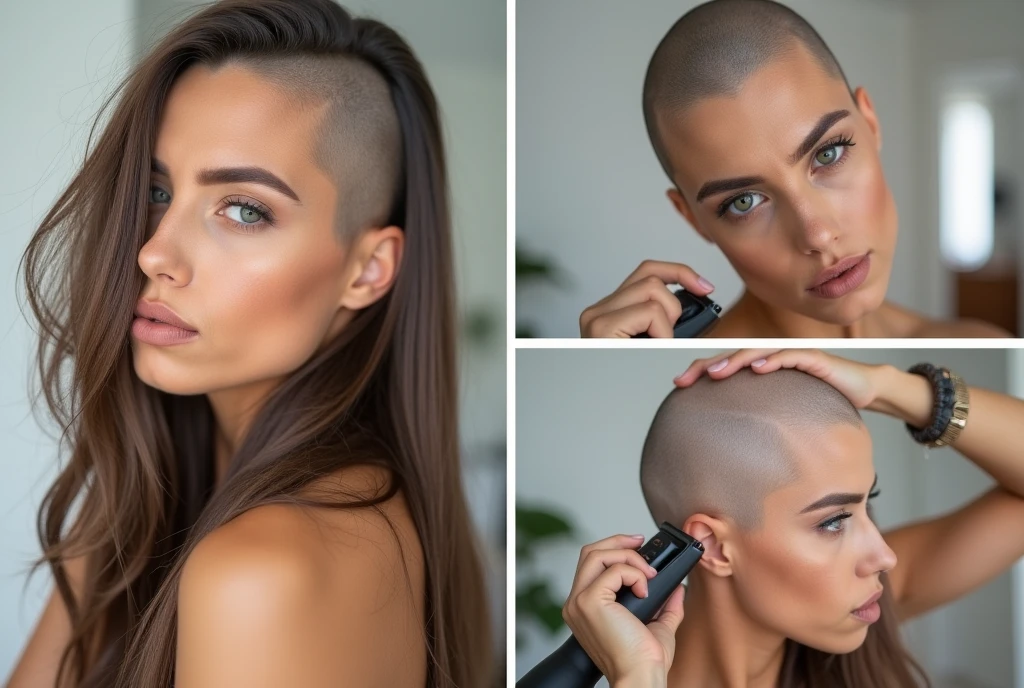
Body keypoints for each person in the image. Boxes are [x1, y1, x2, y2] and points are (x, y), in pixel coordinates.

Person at [4, 1, 491, 686]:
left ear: (367, 269)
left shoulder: (264, 568)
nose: (154, 253)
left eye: (244, 209)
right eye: (154, 189)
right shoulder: (151, 505)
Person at [561, 349, 1024, 687]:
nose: (884, 556)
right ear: (716, 547)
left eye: (869, 501)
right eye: (834, 521)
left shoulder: (865, 613)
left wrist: (891, 387)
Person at [578, 0, 1011, 338]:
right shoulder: (695, 390)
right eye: (744, 202)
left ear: (871, 122)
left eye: (828, 154)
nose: (818, 235)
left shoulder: (977, 344)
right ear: (692, 218)